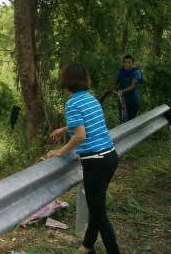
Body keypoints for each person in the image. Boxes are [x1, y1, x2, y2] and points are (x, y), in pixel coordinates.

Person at [47, 63, 120, 254]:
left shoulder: (72, 103)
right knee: (96, 209)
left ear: (65, 81)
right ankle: (87, 246)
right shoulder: (90, 99)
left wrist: (61, 151)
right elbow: (86, 123)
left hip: (95, 163)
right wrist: (65, 128)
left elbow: (80, 135)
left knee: (98, 213)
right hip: (110, 157)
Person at [107, 55, 143, 121]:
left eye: (129, 63)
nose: (127, 64)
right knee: (123, 120)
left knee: (131, 121)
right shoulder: (120, 72)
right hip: (123, 101)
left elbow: (132, 86)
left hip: (133, 101)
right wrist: (107, 91)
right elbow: (115, 83)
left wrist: (122, 91)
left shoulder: (136, 72)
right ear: (123, 63)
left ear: (132, 63)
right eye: (125, 62)